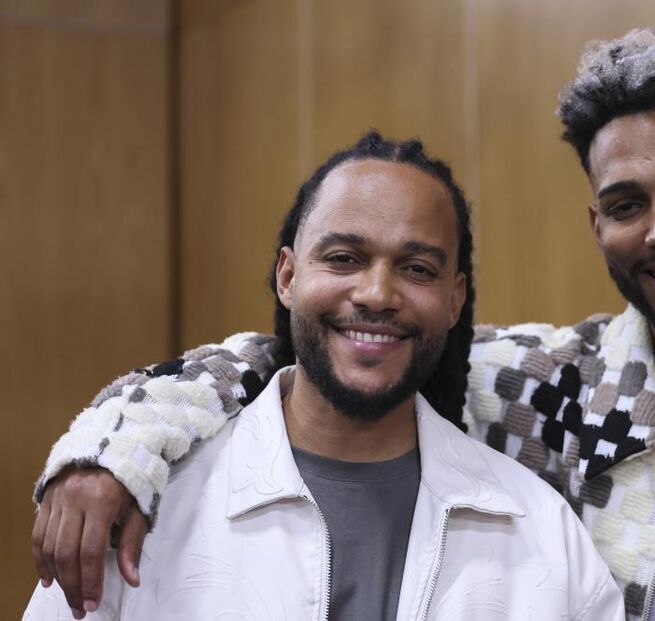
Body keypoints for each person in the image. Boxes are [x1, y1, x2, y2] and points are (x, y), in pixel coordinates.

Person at [32, 29, 655, 620]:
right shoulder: (544, 388)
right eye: (626, 203)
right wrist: (111, 450)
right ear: (596, 226)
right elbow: (294, 355)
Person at [24, 132, 623, 620]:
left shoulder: (545, 535)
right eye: (343, 258)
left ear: (455, 299)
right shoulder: (142, 506)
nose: (377, 293)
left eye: (416, 268)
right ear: (287, 277)